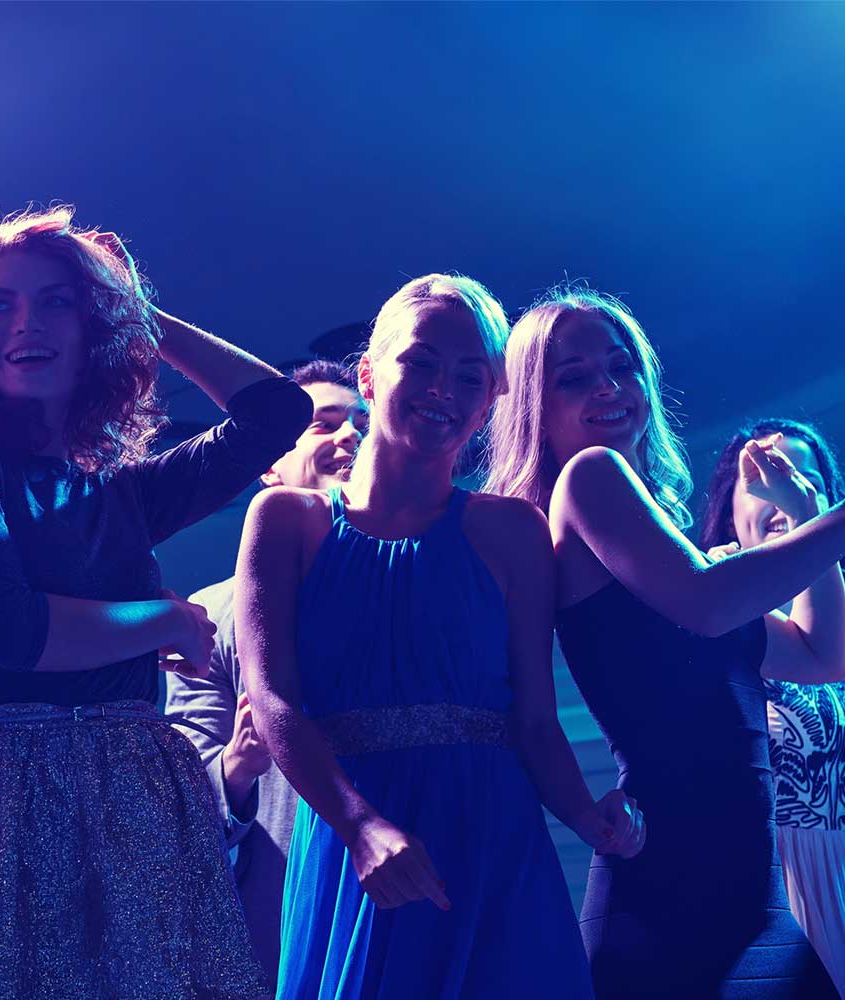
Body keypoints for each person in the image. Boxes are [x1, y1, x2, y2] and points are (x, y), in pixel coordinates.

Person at [0, 207, 312, 1000]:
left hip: (143, 797)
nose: (28, 322)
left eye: (58, 300)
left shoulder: (118, 485)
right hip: (9, 797)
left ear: (94, 327)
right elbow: (13, 632)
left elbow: (276, 414)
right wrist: (169, 618)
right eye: (0, 304)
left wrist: (141, 312)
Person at [235, 274, 645, 1000]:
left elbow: (534, 722)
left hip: (492, 841)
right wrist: (359, 825)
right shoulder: (285, 521)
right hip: (357, 844)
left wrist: (590, 818)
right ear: (368, 372)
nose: (443, 389)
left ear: (493, 397)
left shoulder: (512, 530)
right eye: (420, 362)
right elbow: (271, 701)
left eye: (470, 375)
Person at [485, 285, 843, 997]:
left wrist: (809, 513)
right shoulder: (590, 478)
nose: (610, 388)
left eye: (623, 367)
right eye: (575, 377)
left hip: (751, 890)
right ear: (534, 406)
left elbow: (821, 653)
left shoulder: (665, 540)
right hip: (668, 889)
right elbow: (708, 606)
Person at [165, 357, 368, 988]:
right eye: (323, 424)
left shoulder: (413, 579)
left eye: (360, 422)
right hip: (278, 928)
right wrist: (239, 765)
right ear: (269, 465)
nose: (349, 436)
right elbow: (179, 802)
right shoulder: (213, 615)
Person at [701, 417, 845, 995]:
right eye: (764, 475)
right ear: (730, 511)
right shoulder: (714, 596)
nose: (784, 489)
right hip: (767, 882)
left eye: (801, 479)